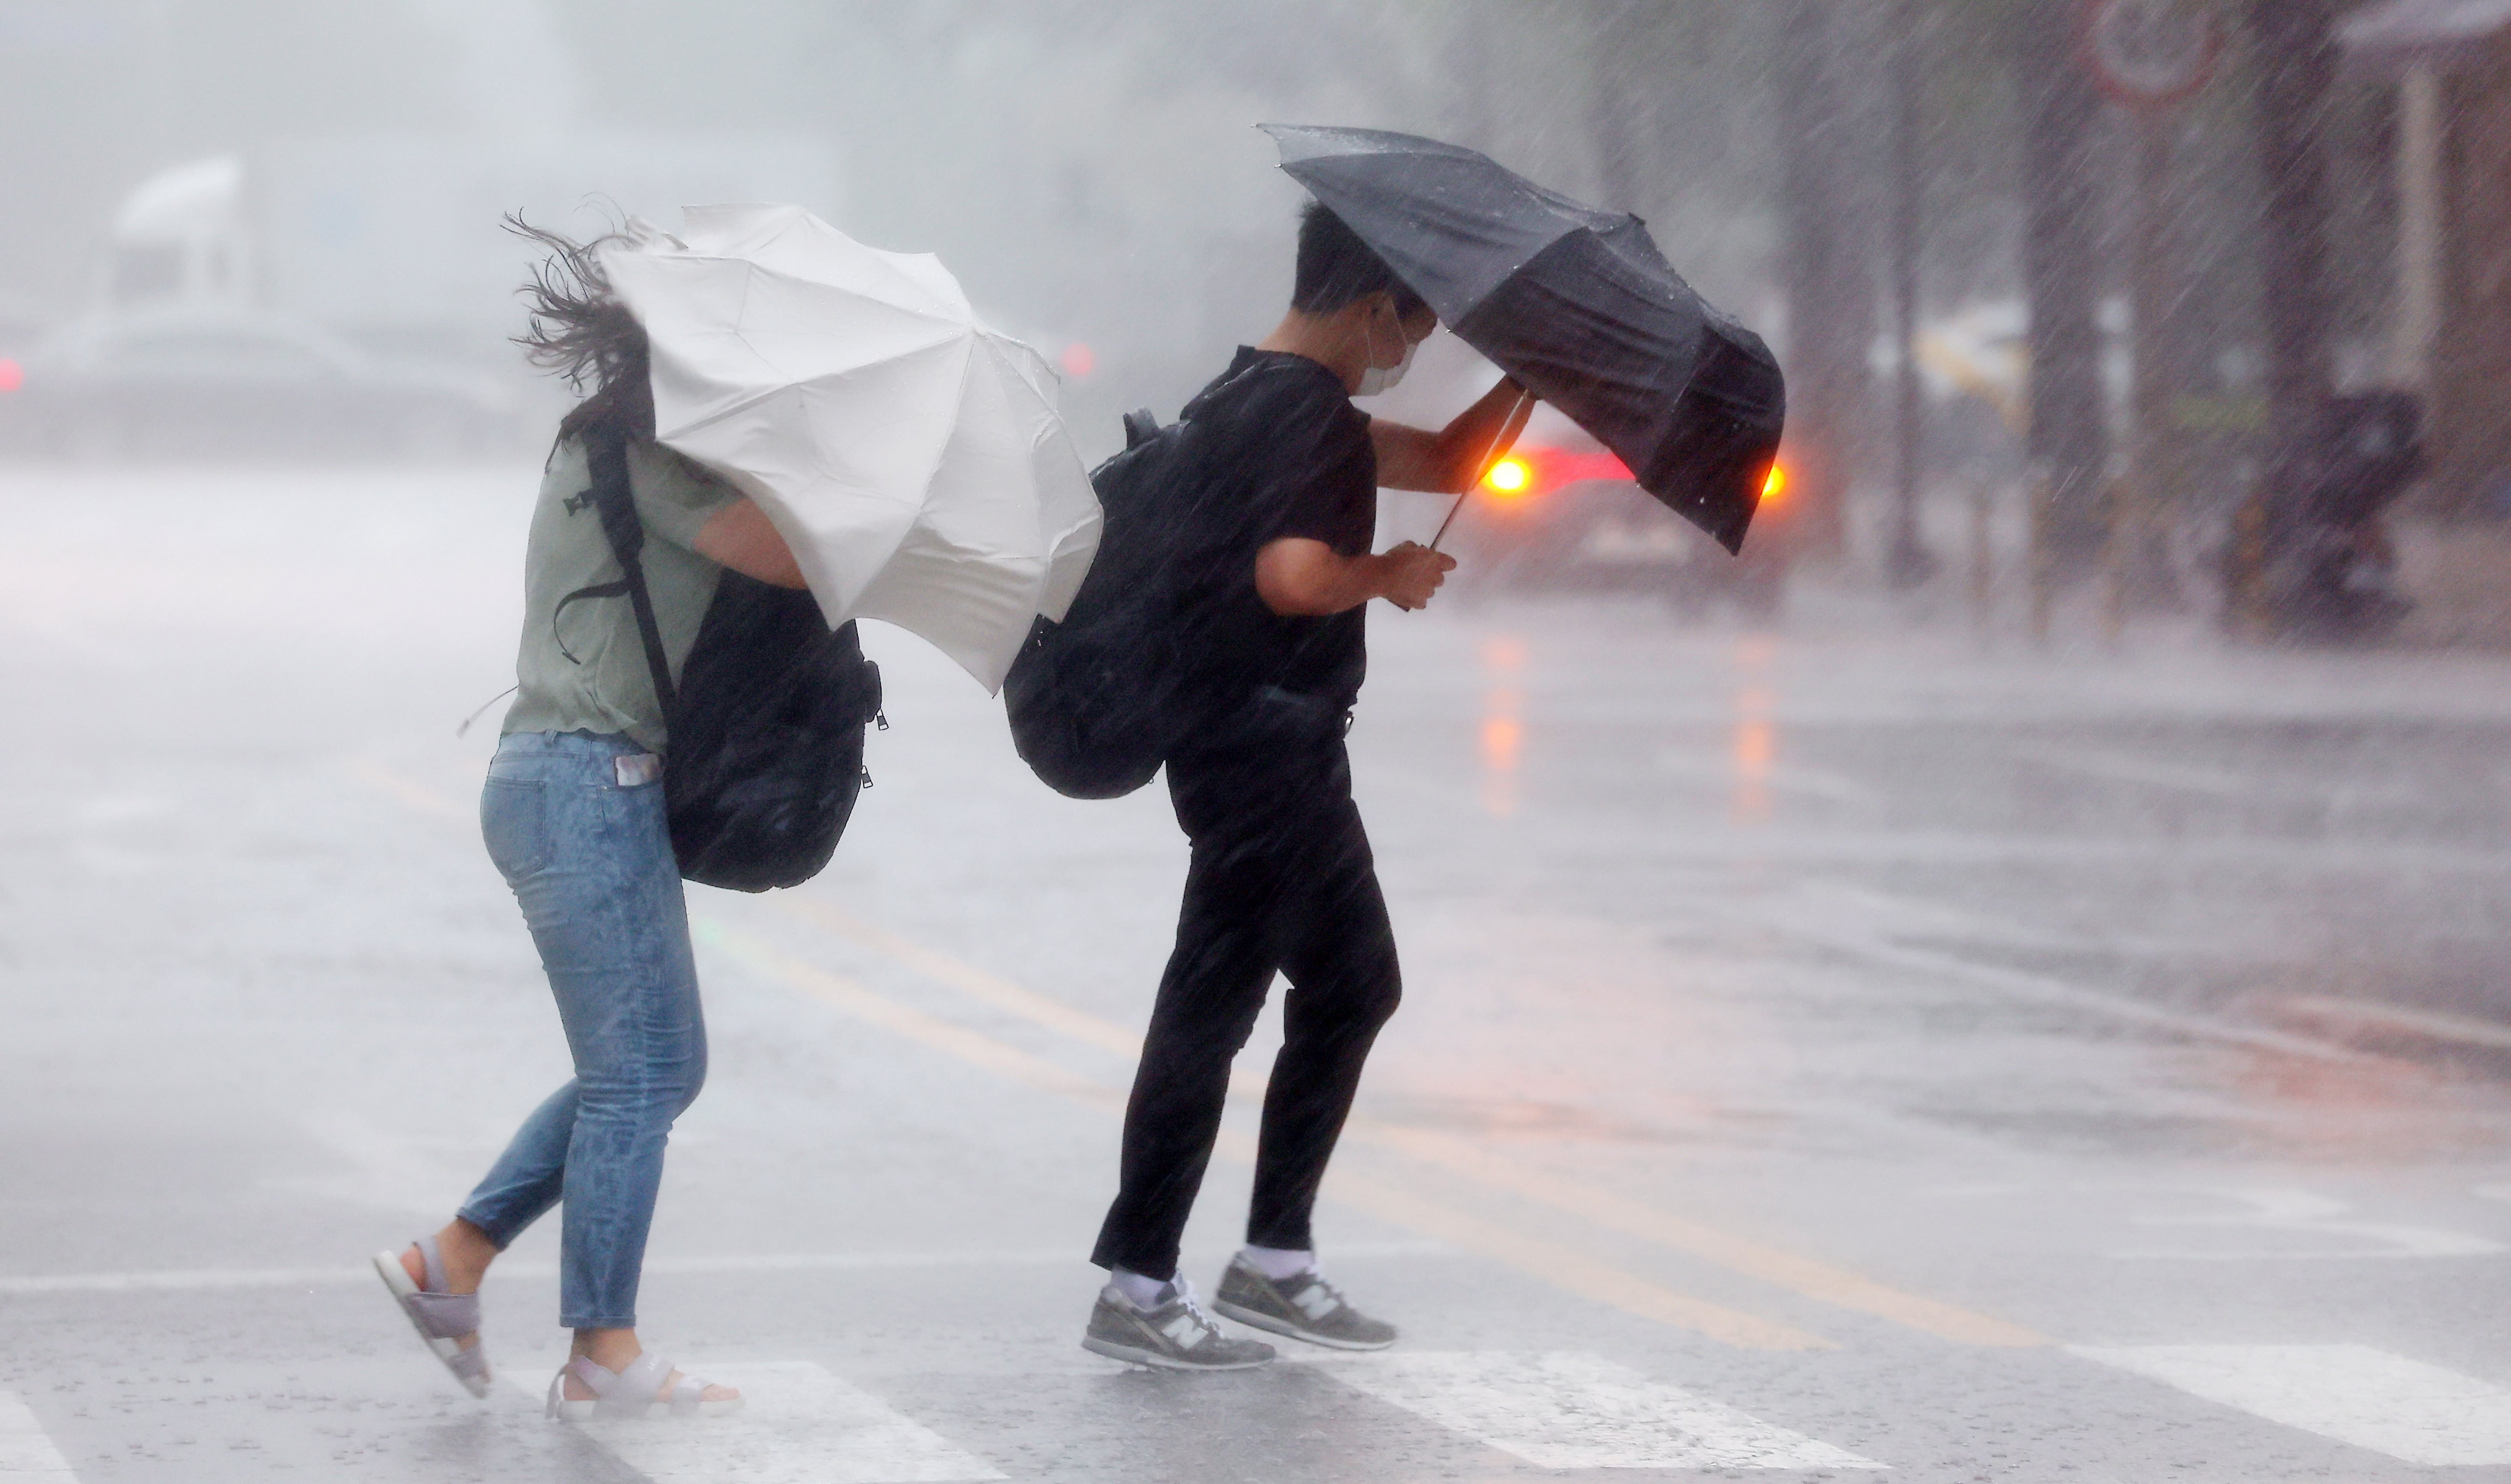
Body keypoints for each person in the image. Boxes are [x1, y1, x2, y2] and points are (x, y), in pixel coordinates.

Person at [1082, 201, 1533, 1370]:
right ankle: (1168, 1276)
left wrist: (1528, 378)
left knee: (1304, 991)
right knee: (1263, 1001)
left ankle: (1253, 1260)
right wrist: (1383, 574)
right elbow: (1289, 577)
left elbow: (1437, 460)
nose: (1417, 344)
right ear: (1372, 304)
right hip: (1266, 756)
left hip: (1239, 747)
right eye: (1415, 323)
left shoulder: (1252, 397)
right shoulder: (1306, 419)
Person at [371, 223, 805, 1418]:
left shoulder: (632, 437)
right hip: (582, 779)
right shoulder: (646, 450)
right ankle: (600, 1354)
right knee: (639, 1078)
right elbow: (781, 556)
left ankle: (451, 1261)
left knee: (661, 1069)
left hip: (581, 778)